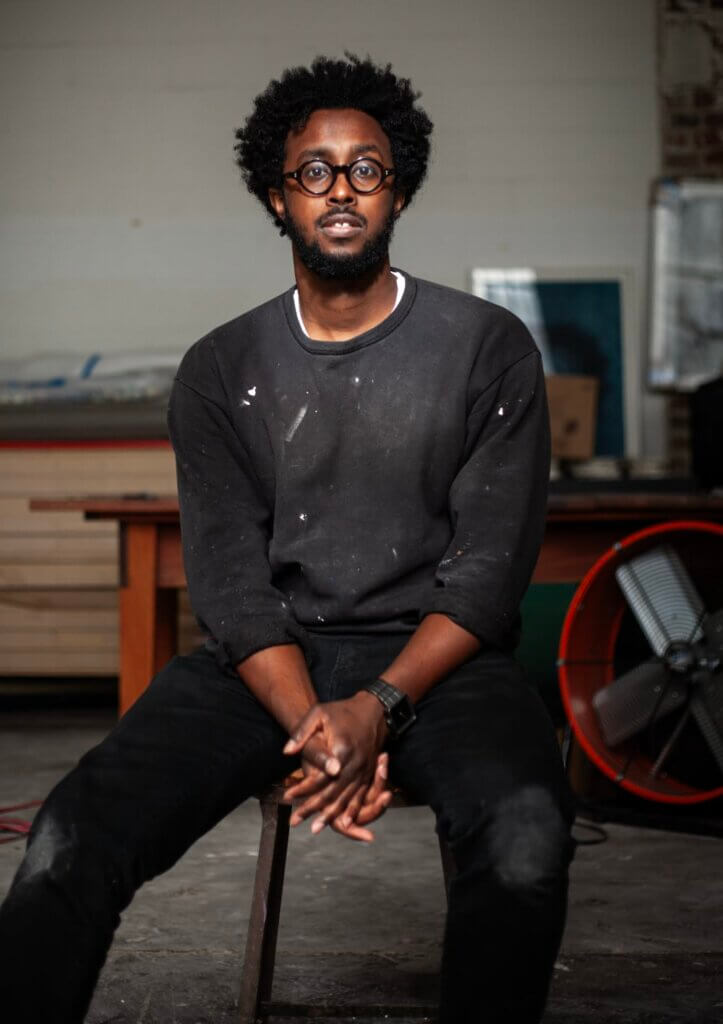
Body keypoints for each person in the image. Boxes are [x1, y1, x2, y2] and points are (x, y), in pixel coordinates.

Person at [0, 53, 575, 1023]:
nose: (340, 189)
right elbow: (226, 583)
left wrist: (378, 711)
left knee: (525, 835)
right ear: (277, 195)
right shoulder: (220, 368)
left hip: (442, 661)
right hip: (266, 658)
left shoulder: (489, 347)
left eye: (366, 168)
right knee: (70, 835)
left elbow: (487, 577)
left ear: (400, 191)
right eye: (314, 170)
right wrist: (320, 723)